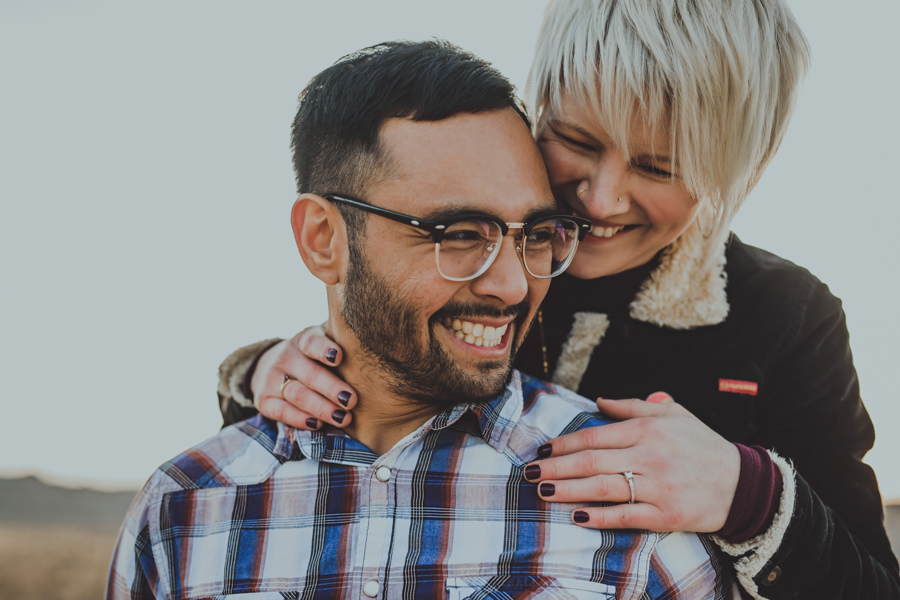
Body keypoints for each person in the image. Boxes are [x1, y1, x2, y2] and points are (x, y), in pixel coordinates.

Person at [214, 2, 900, 599]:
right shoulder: (477, 258)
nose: (599, 199)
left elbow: (869, 582)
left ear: (728, 171)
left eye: (658, 167)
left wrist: (749, 494)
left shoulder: (786, 315)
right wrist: (261, 375)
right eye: (575, 139)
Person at [108, 40, 739, 600]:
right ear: (324, 239)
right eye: (460, 233)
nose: (514, 284)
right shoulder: (182, 511)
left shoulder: (629, 506)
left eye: (537, 234)